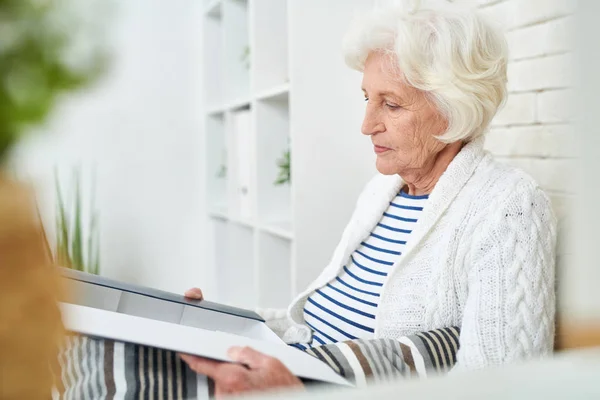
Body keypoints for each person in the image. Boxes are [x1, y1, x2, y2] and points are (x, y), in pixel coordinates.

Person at [182, 3, 557, 396]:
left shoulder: (510, 208)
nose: (367, 125)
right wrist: (227, 327)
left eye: (391, 104)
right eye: (367, 99)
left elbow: (505, 388)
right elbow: (315, 327)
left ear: (454, 109)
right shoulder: (382, 190)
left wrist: (295, 391)